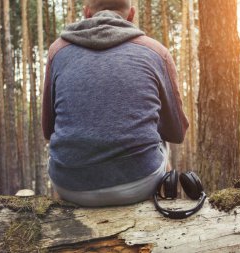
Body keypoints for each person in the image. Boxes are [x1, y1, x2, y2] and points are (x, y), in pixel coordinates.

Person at [41, 0, 188, 207]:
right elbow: (176, 132)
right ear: (131, 15)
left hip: (70, 185)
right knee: (161, 141)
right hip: (139, 183)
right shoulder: (156, 52)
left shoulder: (57, 51)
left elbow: (48, 129)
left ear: (87, 12)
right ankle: (164, 214)